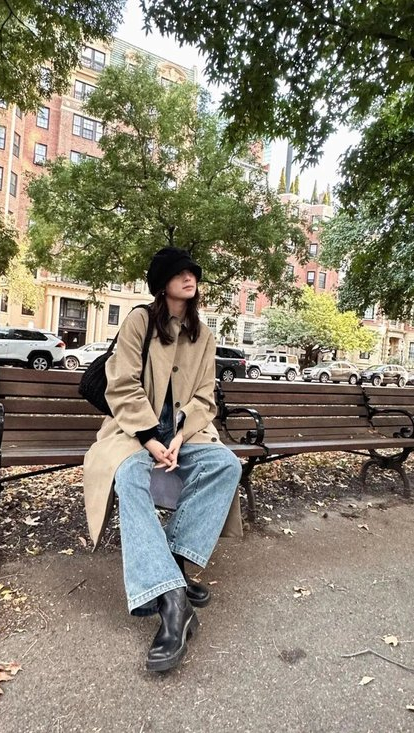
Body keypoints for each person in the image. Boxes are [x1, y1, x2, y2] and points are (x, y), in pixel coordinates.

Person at [83, 247, 243, 672]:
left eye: (192, 272)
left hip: (185, 436)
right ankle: (173, 601)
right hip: (133, 433)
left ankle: (173, 565)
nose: (189, 277)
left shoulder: (203, 335)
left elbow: (205, 398)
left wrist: (181, 433)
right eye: (179, 272)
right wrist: (152, 437)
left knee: (225, 465)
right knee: (129, 474)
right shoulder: (140, 321)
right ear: (162, 283)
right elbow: (121, 384)